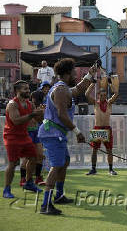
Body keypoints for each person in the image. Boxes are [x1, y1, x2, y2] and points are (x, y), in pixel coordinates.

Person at [38, 58, 97, 215]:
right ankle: (45, 204)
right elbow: (62, 115)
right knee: (56, 166)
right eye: (73, 70)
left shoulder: (63, 88)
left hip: (57, 133)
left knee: (64, 162)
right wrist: (78, 132)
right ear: (67, 73)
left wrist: (89, 76)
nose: (75, 73)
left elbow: (77, 89)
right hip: (52, 133)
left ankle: (59, 195)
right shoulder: (60, 90)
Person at [2, 81, 44, 199]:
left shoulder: (30, 104)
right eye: (25, 89)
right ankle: (6, 189)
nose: (28, 91)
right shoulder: (12, 104)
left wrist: (41, 113)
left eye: (28, 88)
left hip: (24, 135)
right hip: (12, 136)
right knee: (13, 163)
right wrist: (33, 114)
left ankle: (29, 182)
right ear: (17, 91)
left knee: (33, 157)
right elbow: (16, 120)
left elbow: (38, 120)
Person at [85, 81, 119, 176]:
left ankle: (111, 169)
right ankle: (93, 169)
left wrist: (110, 83)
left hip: (107, 128)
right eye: (101, 95)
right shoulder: (96, 103)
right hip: (97, 128)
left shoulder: (109, 103)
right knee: (94, 150)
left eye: (104, 95)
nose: (103, 97)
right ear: (98, 95)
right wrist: (93, 83)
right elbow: (86, 94)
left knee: (109, 150)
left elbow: (116, 93)